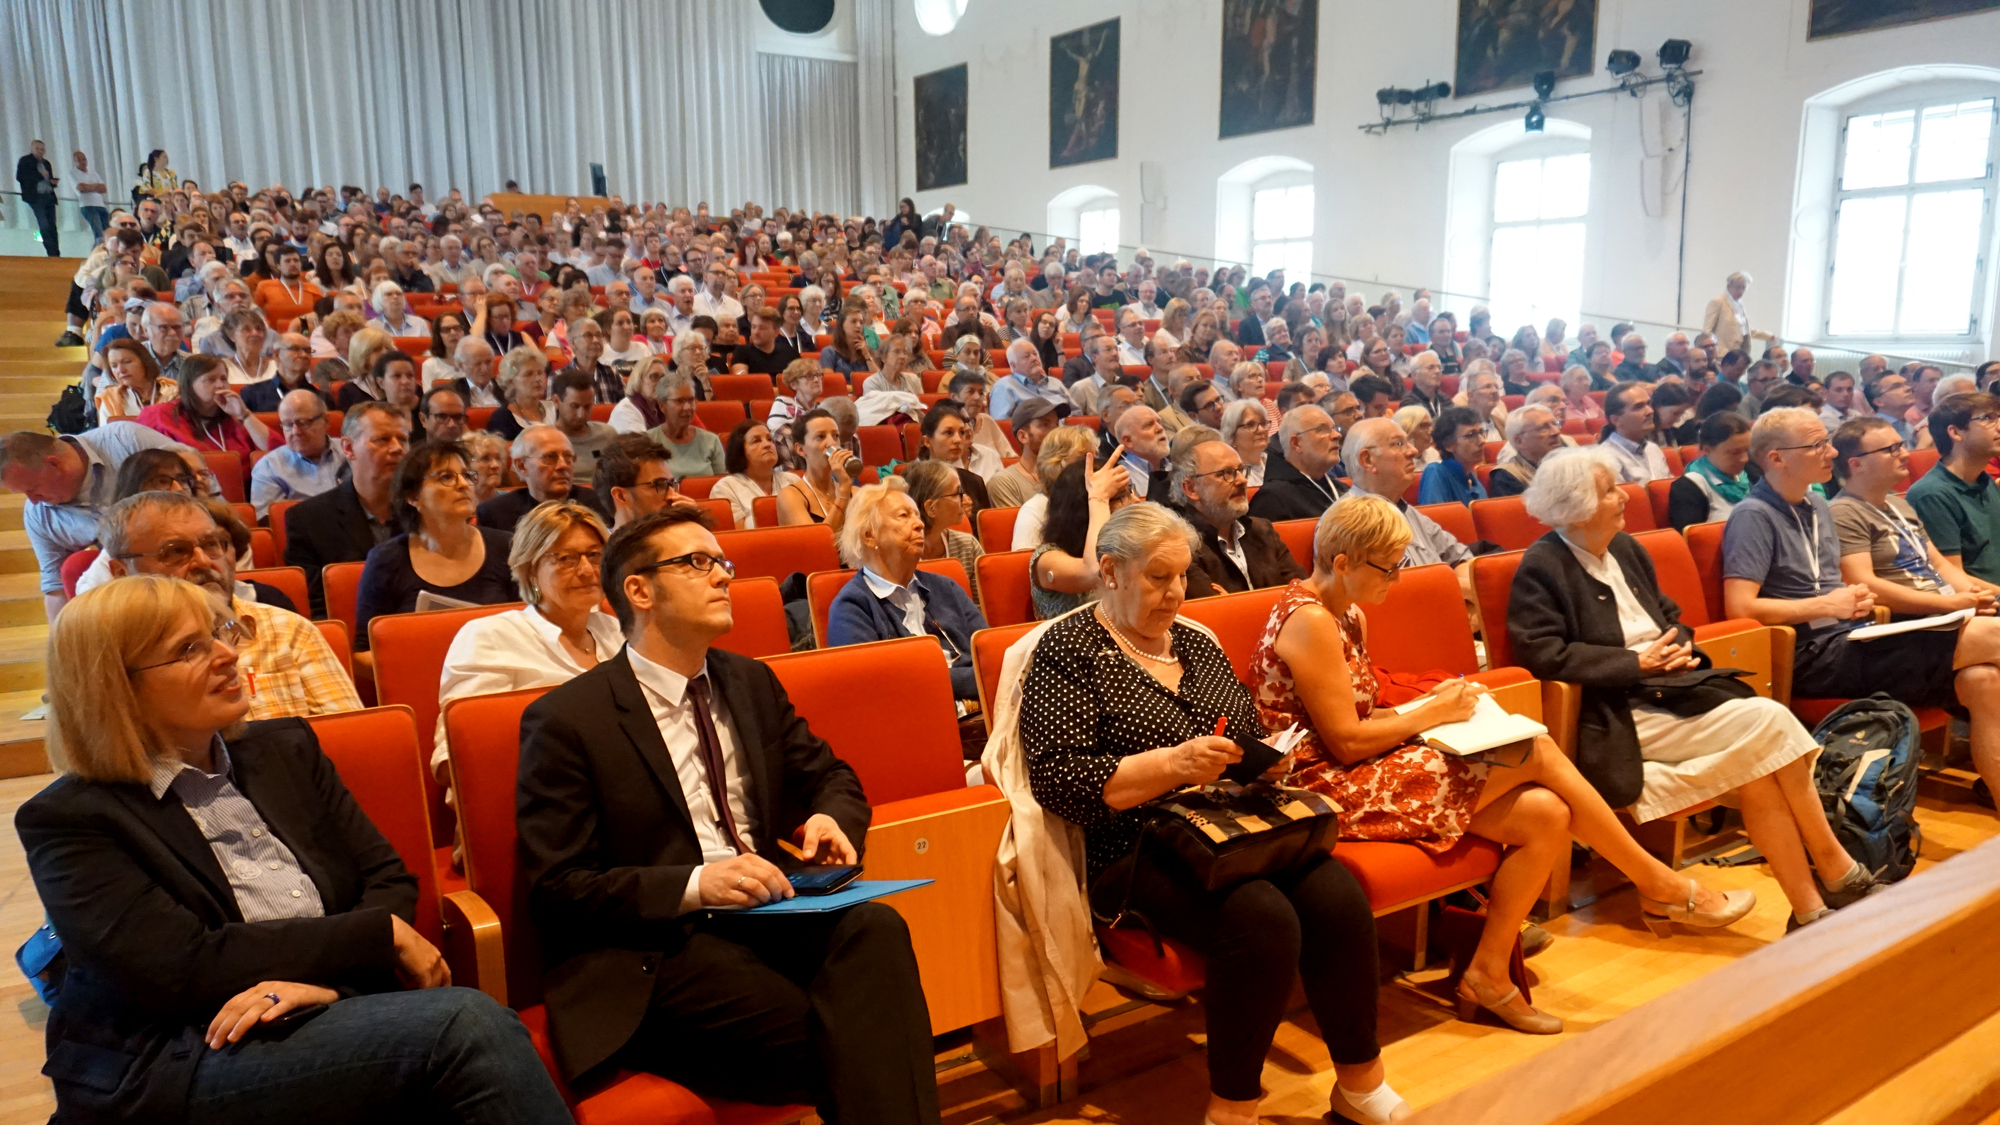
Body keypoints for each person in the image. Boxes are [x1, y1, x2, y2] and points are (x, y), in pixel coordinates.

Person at [20, 576, 570, 1124]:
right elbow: (181, 966)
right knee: (465, 1027)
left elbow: (388, 879)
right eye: (189, 649)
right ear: (116, 687)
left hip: (320, 1008)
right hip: (182, 1051)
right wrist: (373, 936)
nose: (227, 654)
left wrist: (328, 985)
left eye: (220, 632)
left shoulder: (284, 748)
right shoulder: (71, 818)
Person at [515, 506, 940, 1121]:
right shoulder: (568, 720)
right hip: (655, 946)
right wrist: (693, 883)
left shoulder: (748, 682)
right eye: (697, 562)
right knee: (856, 1035)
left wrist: (829, 819)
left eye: (723, 563)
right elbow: (557, 889)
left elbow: (831, 776)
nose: (722, 576)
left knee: (876, 931)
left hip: (766, 912)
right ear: (639, 590)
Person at [1012, 502, 1407, 1125]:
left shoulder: (1197, 642)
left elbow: (1245, 733)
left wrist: (1264, 762)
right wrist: (1172, 765)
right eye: (1157, 578)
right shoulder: (1069, 651)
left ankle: (1360, 1081)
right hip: (1132, 843)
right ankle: (1234, 1108)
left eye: (1181, 577)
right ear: (1110, 572)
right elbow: (1061, 781)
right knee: (1262, 917)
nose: (1175, 594)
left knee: (1335, 894)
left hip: (1230, 828)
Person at [1511, 449, 1874, 930]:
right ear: (1576, 506)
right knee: (1773, 720)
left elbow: (1673, 618)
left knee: (1760, 771)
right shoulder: (1543, 565)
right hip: (1619, 712)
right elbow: (1544, 654)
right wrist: (1635, 662)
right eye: (1609, 491)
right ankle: (1836, 867)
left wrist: (1675, 647)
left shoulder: (1626, 548)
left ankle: (1810, 910)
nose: (1625, 496)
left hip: (1674, 689)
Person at [1723, 407, 2000, 803]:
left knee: (1983, 681)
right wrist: (1829, 604)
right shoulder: (1754, 515)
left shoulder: (1816, 506)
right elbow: (1742, 608)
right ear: (1776, 458)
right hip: (1810, 655)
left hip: (1851, 637)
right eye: (1817, 445)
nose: (1831, 453)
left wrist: (1853, 601)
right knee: (1992, 633)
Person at [98, 491, 361, 718]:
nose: (204, 562)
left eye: (211, 544)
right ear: (121, 571)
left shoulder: (288, 631)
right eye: (176, 551)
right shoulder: (110, 655)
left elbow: (348, 742)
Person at [434, 500, 624, 775]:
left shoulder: (617, 632)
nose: (586, 570)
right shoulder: (489, 638)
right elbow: (456, 760)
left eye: (594, 555)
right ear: (531, 570)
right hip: (537, 795)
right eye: (565, 559)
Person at [3, 422, 197, 619]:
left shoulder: (125, 439)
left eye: (33, 488)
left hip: (194, 543)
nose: (34, 501)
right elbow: (55, 586)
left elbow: (200, 478)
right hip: (138, 588)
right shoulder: (39, 515)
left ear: (54, 464)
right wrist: (60, 645)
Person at [825, 485, 987, 702]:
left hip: (983, 714)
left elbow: (990, 659)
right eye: (904, 515)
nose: (920, 524)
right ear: (869, 536)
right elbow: (884, 687)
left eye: (918, 516)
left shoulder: (946, 588)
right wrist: (971, 681)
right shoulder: (852, 608)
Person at [1832, 416, 2000, 621]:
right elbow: (1862, 582)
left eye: (1901, 445)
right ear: (1857, 464)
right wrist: (1951, 604)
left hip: (1946, 609)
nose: (1904, 454)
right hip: (1910, 619)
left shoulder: (1899, 505)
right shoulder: (1844, 512)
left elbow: (1940, 566)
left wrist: (1977, 597)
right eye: (1891, 449)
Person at [355, 439, 517, 651]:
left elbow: (535, 628)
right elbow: (364, 652)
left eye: (467, 475)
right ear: (413, 497)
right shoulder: (386, 560)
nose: (463, 484)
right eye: (446, 477)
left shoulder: (507, 547)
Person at [284, 403, 411, 617]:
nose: (397, 448)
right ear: (348, 448)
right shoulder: (308, 520)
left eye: (404, 440)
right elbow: (316, 608)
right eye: (383, 439)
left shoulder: (426, 511)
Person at [1172, 430, 1303, 596]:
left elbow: (1301, 594)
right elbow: (1219, 615)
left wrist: (1235, 602)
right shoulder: (1181, 547)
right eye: (1226, 473)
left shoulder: (1262, 530)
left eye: (1241, 470)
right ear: (1191, 488)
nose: (1242, 480)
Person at [1908, 392, 2000, 588]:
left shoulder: (1985, 481)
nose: (1999, 426)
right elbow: (1951, 575)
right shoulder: (1931, 494)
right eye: (1988, 419)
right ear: (1955, 432)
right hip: (1982, 603)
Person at [1029, 451, 1134, 620]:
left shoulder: (1130, 549)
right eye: (1122, 496)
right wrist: (1099, 497)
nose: (1135, 501)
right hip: (1070, 644)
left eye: (1131, 491)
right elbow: (1094, 571)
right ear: (1083, 509)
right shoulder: (1045, 558)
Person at [135, 354, 274, 455]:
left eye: (223, 379)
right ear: (189, 384)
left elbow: (276, 453)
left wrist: (245, 415)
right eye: (210, 379)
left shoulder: (237, 421)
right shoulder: (158, 415)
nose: (220, 385)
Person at [476, 425, 600, 534]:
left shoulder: (598, 503)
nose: (563, 465)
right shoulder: (495, 513)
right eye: (549, 457)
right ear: (521, 466)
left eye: (568, 457)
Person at [249, 388, 346, 519]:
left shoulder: (351, 452)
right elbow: (271, 522)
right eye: (287, 425)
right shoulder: (269, 467)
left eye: (303, 423)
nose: (295, 432)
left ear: (326, 421)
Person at [902, 459, 986, 604]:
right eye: (957, 493)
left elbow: (983, 607)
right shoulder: (897, 555)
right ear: (931, 508)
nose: (965, 500)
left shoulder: (967, 546)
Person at [1248, 405, 1345, 523]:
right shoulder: (1272, 499)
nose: (1337, 435)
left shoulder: (1342, 489)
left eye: (1334, 428)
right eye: (1322, 429)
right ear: (1296, 443)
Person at [1667, 412, 1753, 531]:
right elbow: (1693, 541)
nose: (1745, 459)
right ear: (1706, 449)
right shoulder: (1689, 487)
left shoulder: (1748, 475)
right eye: (1734, 452)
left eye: (1747, 450)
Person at [777, 408, 858, 532]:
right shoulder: (790, 496)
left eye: (836, 436)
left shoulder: (855, 493)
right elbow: (818, 544)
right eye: (820, 437)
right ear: (800, 449)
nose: (832, 443)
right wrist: (844, 491)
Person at [711, 420, 799, 530]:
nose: (767, 445)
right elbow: (737, 538)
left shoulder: (793, 480)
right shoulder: (726, 487)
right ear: (740, 451)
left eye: (769, 439)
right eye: (756, 441)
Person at [988, 397, 1067, 509]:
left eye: (1056, 424)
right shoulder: (1004, 482)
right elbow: (1021, 525)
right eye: (1045, 425)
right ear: (1023, 436)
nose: (1056, 432)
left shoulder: (1067, 474)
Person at [549, 373, 616, 486]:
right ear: (556, 401)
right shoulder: (541, 438)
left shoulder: (607, 434)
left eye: (587, 407)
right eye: (574, 406)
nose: (581, 415)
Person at [1598, 382, 1672, 483]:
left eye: (1648, 404)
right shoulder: (1604, 458)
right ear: (1616, 420)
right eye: (1638, 407)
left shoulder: (1653, 449)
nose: (1650, 411)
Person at [95, 336, 179, 422]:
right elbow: (107, 434)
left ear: (144, 361)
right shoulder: (110, 399)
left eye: (127, 362)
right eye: (114, 366)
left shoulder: (174, 392)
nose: (121, 370)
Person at [1487, 405, 1563, 498]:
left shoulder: (1571, 461)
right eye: (1543, 428)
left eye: (1555, 424)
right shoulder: (1507, 476)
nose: (1556, 432)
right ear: (1519, 441)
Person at [1417, 406, 1488, 506]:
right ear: (1449, 445)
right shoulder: (1435, 473)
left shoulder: (1477, 484)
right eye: (1471, 434)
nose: (1482, 441)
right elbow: (1434, 519)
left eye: (1481, 432)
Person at [484, 346, 556, 442]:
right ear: (511, 382)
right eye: (528, 374)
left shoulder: (556, 409)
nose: (538, 379)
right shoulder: (502, 419)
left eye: (540, 373)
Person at [990, 338, 1070, 423]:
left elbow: (1076, 414)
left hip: (1066, 433)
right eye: (1026, 356)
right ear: (1013, 366)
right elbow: (1002, 424)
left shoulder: (1056, 383)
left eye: (1035, 354)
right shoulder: (1004, 386)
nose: (1034, 358)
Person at [251, 245, 324, 332]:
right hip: (276, 339)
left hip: (307, 337)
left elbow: (321, 316)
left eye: (296, 260)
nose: (293, 264)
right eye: (287, 261)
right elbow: (255, 314)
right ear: (278, 266)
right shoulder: (264, 286)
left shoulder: (313, 288)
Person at [1703, 271, 1773, 356]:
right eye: (1737, 287)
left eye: (1743, 288)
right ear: (1729, 286)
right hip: (1722, 354)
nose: (1741, 291)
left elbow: (1743, 329)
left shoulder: (1740, 305)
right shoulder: (1718, 302)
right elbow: (1707, 330)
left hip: (1740, 352)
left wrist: (1767, 336)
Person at [16, 139, 61, 256]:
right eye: (38, 149)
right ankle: (52, 253)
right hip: (36, 197)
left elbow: (47, 179)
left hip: (48, 196)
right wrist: (40, 177)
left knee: (52, 226)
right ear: (32, 149)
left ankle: (56, 253)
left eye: (42, 150)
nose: (41, 152)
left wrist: (52, 182)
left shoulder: (46, 163)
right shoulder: (25, 161)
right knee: (44, 225)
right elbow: (21, 176)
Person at [1220, 398, 1270, 487]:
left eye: (1263, 423)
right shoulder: (1230, 477)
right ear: (1232, 434)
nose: (1261, 430)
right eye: (1250, 425)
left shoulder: (1278, 464)